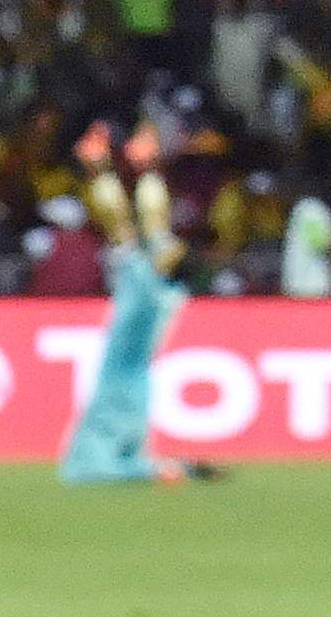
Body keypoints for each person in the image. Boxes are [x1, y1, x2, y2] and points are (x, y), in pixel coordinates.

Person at [60, 122, 221, 486]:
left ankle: (103, 166)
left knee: (131, 242)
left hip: (149, 300)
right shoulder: (164, 296)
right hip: (155, 298)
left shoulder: (155, 293)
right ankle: (111, 167)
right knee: (138, 241)